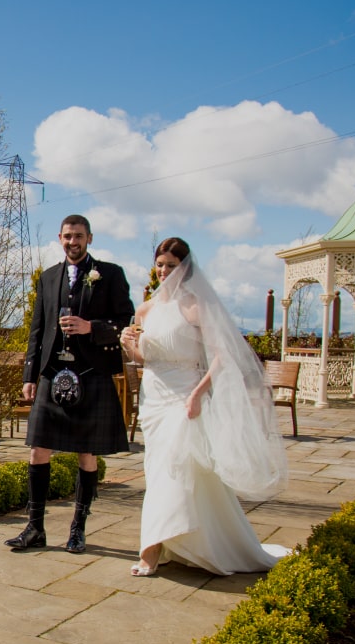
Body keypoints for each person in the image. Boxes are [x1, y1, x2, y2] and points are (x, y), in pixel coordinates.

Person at [118, 237, 291, 577]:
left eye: (171, 265)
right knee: (164, 472)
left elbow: (223, 356)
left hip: (184, 398)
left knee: (173, 470)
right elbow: (146, 359)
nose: (165, 270)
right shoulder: (145, 310)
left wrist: (198, 393)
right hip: (154, 397)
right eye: (160, 264)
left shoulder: (197, 307)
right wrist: (129, 347)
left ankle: (149, 553)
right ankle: (191, 540)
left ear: (185, 267)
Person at [7, 214, 134, 553]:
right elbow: (38, 329)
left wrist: (92, 327)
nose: (72, 242)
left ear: (89, 238)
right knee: (37, 450)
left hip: (90, 375)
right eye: (67, 236)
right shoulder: (49, 277)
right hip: (52, 374)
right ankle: (35, 528)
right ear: (59, 238)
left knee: (86, 453)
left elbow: (125, 321)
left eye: (78, 236)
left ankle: (78, 529)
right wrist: (29, 376)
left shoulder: (110, 274)